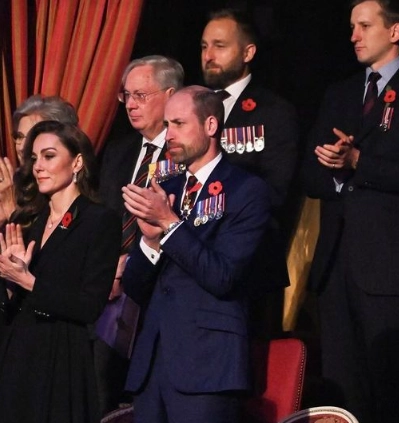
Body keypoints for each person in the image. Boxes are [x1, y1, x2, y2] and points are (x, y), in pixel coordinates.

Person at [301, 1, 399, 421]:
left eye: (365, 26)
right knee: (342, 394)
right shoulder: (339, 93)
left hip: (389, 269)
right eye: (352, 27)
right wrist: (333, 169)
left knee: (392, 392)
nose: (354, 36)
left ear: (395, 32)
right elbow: (308, 174)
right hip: (335, 267)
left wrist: (359, 162)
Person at [121, 86, 270, 423]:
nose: (168, 134)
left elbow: (223, 276)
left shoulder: (246, 190)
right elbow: (134, 286)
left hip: (206, 364)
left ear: (211, 126)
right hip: (153, 363)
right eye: (166, 125)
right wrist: (149, 244)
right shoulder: (165, 190)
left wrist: (169, 224)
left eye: (178, 124)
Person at [0, 120, 121, 423]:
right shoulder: (30, 221)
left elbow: (89, 305)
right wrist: (11, 280)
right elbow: (11, 300)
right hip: (19, 353)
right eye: (34, 158)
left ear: (77, 161)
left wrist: (29, 281)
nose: (38, 166)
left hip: (62, 355)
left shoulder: (98, 221)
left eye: (49, 156)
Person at [96, 55, 184, 415]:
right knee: (101, 391)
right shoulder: (119, 151)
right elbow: (102, 221)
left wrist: (130, 264)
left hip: (160, 290)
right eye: (126, 96)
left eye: (140, 95)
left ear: (171, 94)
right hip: (109, 294)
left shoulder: (186, 151)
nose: (130, 104)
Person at [202, 8, 298, 337]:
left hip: (248, 264)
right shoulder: (191, 107)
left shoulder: (273, 111)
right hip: (191, 261)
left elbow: (276, 191)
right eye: (204, 47)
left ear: (248, 52)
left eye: (219, 45)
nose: (208, 55)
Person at [2, 96, 79, 225]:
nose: (21, 147)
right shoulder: (14, 185)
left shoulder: (59, 193)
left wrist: (11, 210)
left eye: (32, 137)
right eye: (19, 137)